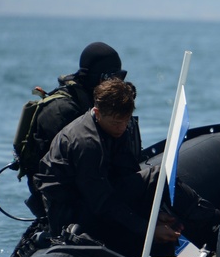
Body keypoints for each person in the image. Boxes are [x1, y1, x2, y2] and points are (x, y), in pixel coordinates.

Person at [34, 78, 220, 257]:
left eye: (126, 121)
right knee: (148, 189)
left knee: (158, 176)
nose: (122, 127)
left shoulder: (117, 129)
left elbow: (126, 176)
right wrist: (147, 228)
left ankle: (216, 225)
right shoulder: (86, 143)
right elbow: (101, 202)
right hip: (75, 210)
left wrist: (154, 213)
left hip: (99, 194)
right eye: (116, 122)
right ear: (97, 113)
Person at [23, 42, 140, 216]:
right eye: (112, 77)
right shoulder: (62, 112)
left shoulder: (100, 104)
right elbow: (68, 175)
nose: (118, 83)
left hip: (96, 184)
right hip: (67, 201)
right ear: (98, 78)